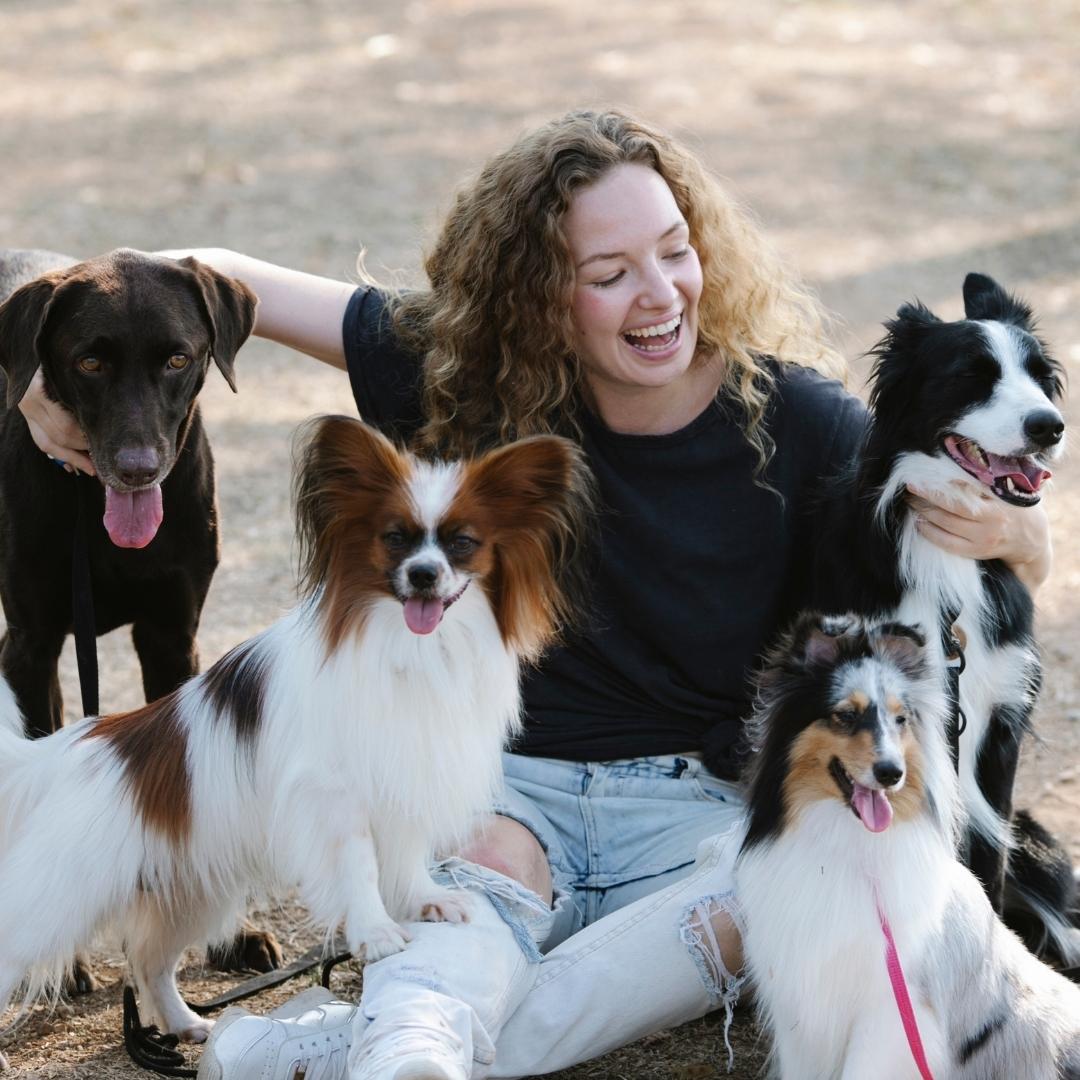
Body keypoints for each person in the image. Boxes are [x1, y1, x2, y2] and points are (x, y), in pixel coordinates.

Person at [19, 110, 1052, 1080]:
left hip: (691, 810)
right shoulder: (463, 382)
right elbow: (212, 274)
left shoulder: (801, 422)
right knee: (458, 910)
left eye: (675, 250)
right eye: (609, 272)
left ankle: (335, 1048)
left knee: (772, 897)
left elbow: (951, 567)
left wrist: (1024, 536)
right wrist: (40, 389)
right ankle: (406, 1054)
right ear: (540, 298)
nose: (660, 293)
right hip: (512, 795)